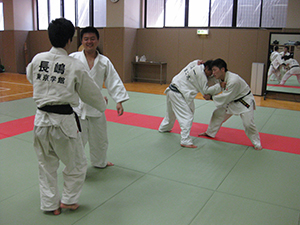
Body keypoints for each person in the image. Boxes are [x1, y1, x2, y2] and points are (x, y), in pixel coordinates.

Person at [26, 18, 107, 215]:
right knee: (77, 164)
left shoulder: (37, 59)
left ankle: (49, 204)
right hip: (63, 123)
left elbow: (31, 77)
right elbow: (91, 94)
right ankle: (69, 200)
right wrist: (101, 104)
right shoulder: (74, 65)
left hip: (40, 120)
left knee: (46, 165)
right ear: (70, 40)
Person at [70, 26, 129, 168]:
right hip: (78, 107)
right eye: (86, 39)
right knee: (77, 140)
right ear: (81, 41)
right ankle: (75, 166)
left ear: (97, 40)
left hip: (97, 106)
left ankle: (100, 162)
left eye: (92, 39)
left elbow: (113, 80)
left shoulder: (104, 61)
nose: (89, 41)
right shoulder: (73, 58)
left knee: (100, 139)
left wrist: (119, 100)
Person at [199, 58, 262, 150]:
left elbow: (225, 97)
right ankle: (210, 133)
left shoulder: (233, 80)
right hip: (232, 100)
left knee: (248, 124)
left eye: (215, 70)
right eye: (212, 70)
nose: (213, 73)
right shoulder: (220, 78)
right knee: (217, 114)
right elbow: (215, 88)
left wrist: (211, 97)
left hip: (244, 101)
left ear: (223, 69)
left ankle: (257, 143)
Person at [158, 59, 223, 148]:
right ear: (206, 68)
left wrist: (198, 61)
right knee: (187, 116)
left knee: (171, 114)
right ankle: (185, 140)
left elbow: (195, 61)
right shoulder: (201, 75)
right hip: (178, 94)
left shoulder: (195, 64)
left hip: (172, 90)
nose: (211, 74)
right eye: (211, 72)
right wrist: (220, 86)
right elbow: (205, 91)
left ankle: (164, 128)